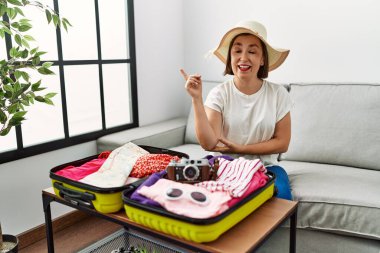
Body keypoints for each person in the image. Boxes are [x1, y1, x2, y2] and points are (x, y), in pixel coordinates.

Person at [180, 20, 292, 200]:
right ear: (230, 58)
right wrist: (196, 99)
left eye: (252, 51)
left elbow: (282, 142)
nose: (244, 58)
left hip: (266, 167)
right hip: (224, 164)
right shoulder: (219, 93)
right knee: (213, 200)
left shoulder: (278, 94)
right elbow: (209, 143)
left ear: (263, 59)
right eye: (237, 51)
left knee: (282, 200)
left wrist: (241, 148)